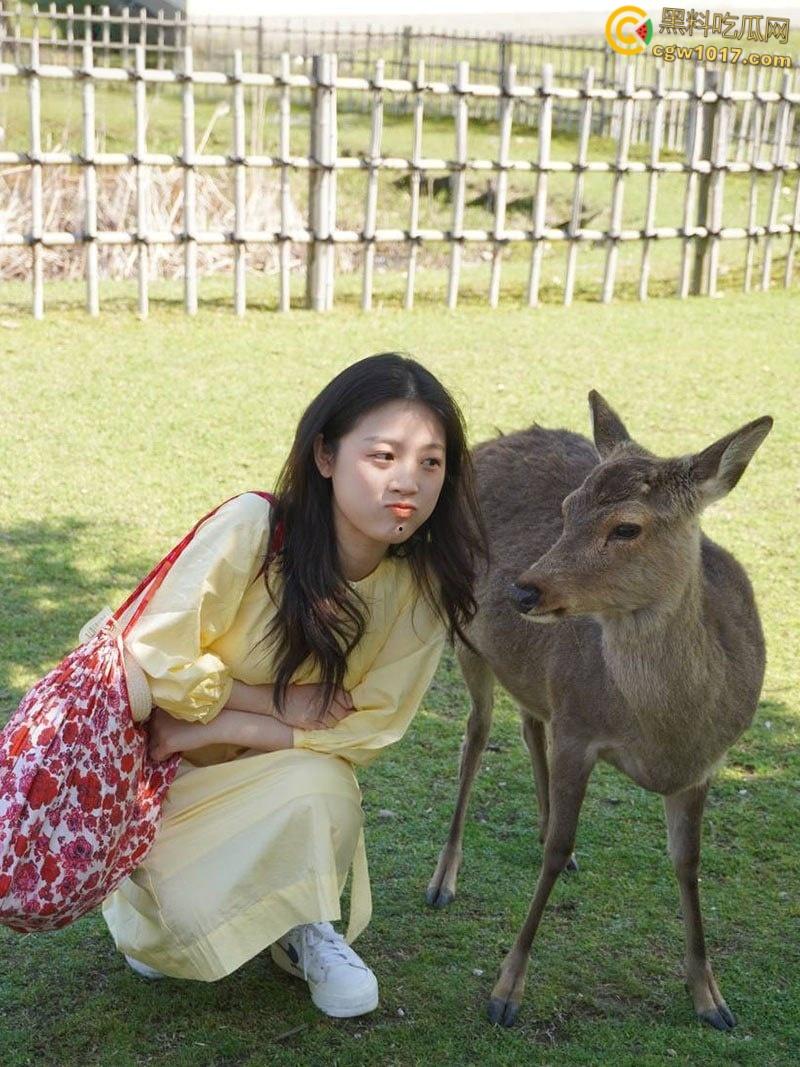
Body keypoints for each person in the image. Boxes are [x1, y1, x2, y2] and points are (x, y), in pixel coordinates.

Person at [101, 352, 489, 1018]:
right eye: (384, 455)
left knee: (325, 785)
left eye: (431, 461)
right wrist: (268, 699)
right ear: (326, 456)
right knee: (176, 930)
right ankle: (150, 918)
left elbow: (372, 722)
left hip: (258, 781)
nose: (409, 481)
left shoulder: (418, 588)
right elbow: (149, 654)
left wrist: (224, 720)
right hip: (155, 787)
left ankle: (302, 924)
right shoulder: (253, 532)